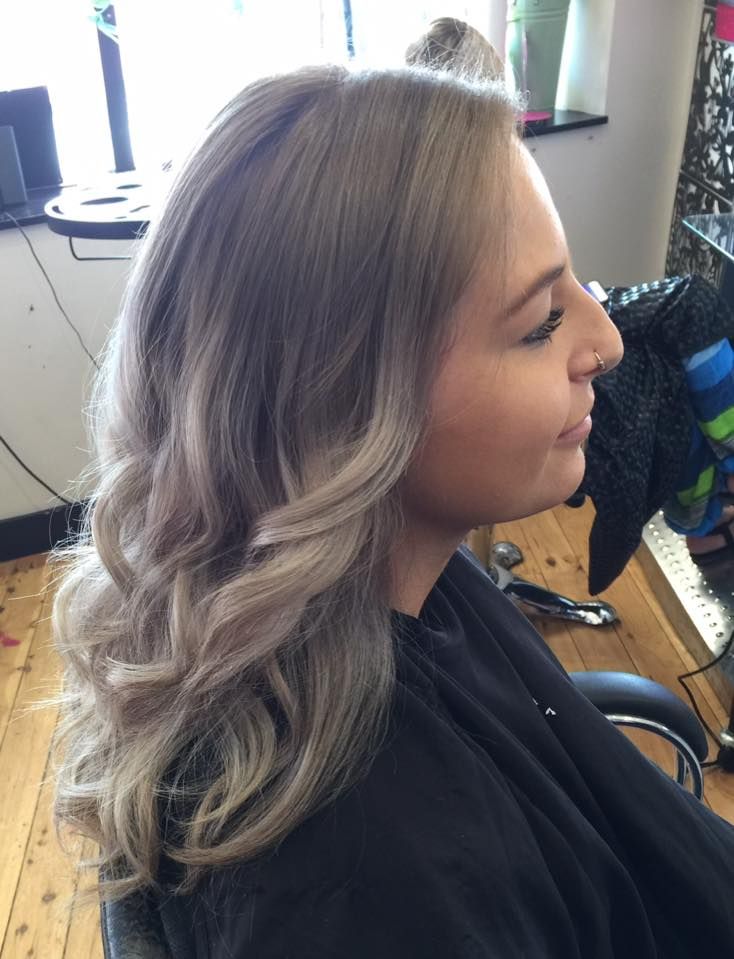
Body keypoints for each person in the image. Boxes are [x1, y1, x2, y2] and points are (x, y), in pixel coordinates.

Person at [52, 63, 734, 958]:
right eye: (537, 323)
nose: (603, 342)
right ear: (346, 407)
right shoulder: (365, 890)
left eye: (577, 292)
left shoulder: (405, 577)